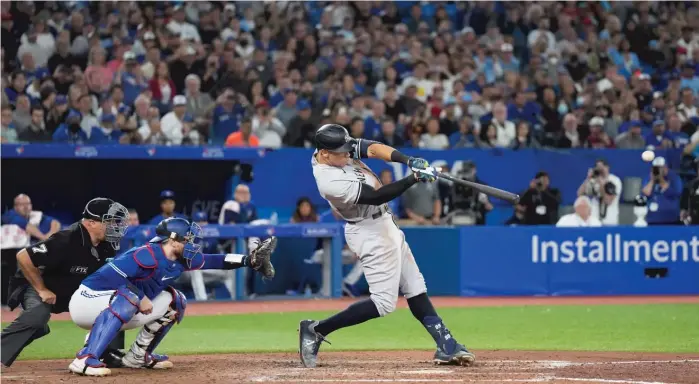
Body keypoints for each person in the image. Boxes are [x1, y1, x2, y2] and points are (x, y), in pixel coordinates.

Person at [300, 124, 475, 368]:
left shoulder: (336, 149)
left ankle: (446, 345)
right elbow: (375, 196)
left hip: (384, 223)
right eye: (342, 152)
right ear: (325, 154)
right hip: (368, 230)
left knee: (415, 287)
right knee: (383, 303)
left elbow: (372, 148)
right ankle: (316, 329)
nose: (349, 154)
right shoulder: (328, 180)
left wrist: (409, 160)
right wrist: (414, 177)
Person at [67, 218, 277, 376]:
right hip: (87, 302)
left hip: (118, 304)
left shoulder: (180, 259)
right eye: (188, 239)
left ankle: (137, 357)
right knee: (130, 297)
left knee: (175, 301)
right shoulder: (144, 254)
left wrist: (248, 260)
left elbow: (216, 260)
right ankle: (85, 358)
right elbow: (109, 277)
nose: (192, 244)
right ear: (173, 240)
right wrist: (139, 296)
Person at [1, 198, 129, 368]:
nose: (115, 226)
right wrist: (42, 289)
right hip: (39, 285)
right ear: (91, 223)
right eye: (109, 221)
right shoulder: (66, 239)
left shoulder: (108, 245)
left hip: (73, 289)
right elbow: (23, 257)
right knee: (37, 317)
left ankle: (107, 351)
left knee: (115, 300)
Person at [576, 159, 622, 226]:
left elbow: (608, 201)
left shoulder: (614, 180)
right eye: (598, 168)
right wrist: (588, 178)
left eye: (602, 168)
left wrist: (601, 184)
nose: (600, 171)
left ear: (607, 168)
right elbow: (579, 194)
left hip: (609, 220)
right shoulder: (593, 180)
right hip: (594, 220)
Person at [641, 157, 683, 225]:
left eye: (661, 168)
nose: (658, 170)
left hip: (671, 218)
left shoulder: (674, 178)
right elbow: (646, 193)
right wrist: (652, 180)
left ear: (666, 167)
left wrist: (661, 180)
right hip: (653, 218)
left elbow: (676, 193)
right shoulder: (648, 178)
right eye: (656, 168)